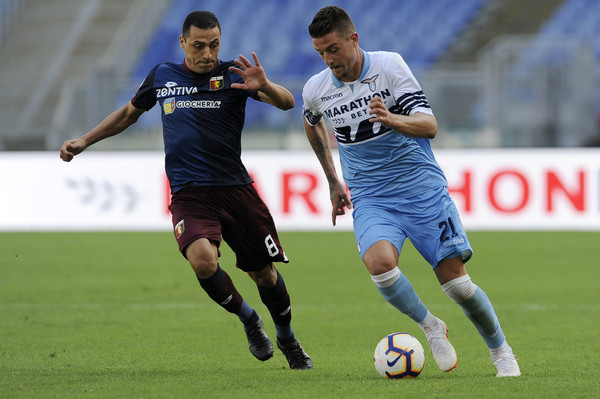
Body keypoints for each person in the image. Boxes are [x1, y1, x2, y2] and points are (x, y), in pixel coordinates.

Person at [60, 10, 312, 370]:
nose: (207, 54)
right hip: (190, 195)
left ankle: (287, 336)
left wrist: (266, 86)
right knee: (203, 261)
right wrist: (84, 140)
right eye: (198, 46)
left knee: (264, 274)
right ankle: (249, 320)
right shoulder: (163, 75)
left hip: (236, 190)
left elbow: (287, 103)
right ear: (182, 43)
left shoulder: (233, 75)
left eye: (214, 45)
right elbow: (129, 113)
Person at [302, 6, 519, 377]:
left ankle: (501, 351)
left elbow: (429, 125)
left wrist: (391, 119)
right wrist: (333, 179)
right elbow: (311, 122)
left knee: (457, 286)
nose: (328, 59)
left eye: (334, 49)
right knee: (380, 266)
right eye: (321, 52)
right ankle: (430, 326)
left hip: (420, 189)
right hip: (371, 194)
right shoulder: (316, 88)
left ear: (353, 39)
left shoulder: (389, 66)